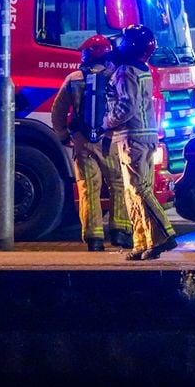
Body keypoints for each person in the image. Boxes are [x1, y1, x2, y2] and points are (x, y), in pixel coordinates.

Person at [50, 34, 132, 252]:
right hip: (111, 141)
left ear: (85, 55)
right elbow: (125, 108)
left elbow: (58, 111)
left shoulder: (74, 78)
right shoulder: (117, 76)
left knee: (89, 188)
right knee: (118, 184)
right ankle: (120, 233)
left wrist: (63, 136)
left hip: (82, 142)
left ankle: (94, 238)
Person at [104, 24, 178, 261]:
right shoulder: (142, 69)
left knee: (139, 190)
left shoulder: (125, 71)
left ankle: (164, 236)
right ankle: (143, 242)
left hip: (132, 138)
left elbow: (126, 106)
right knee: (132, 192)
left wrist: (105, 122)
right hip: (143, 137)